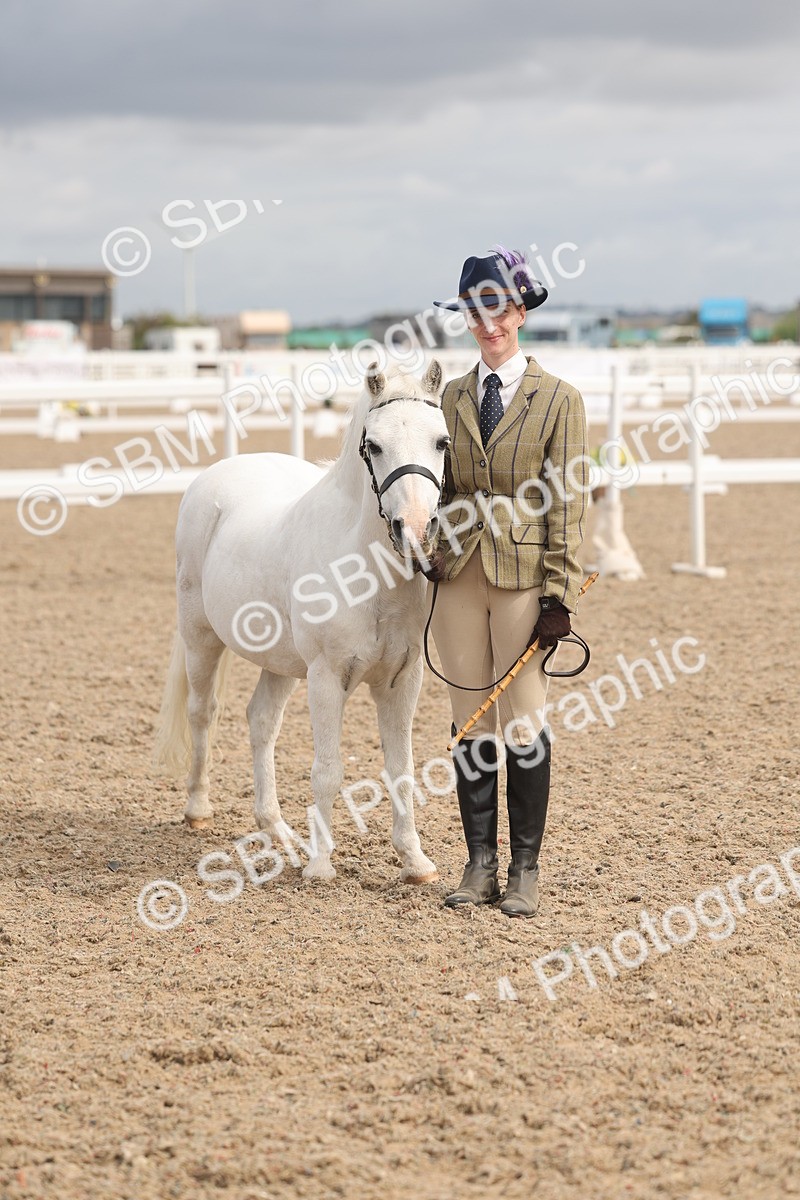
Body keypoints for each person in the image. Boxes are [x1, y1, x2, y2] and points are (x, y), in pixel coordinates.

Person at [430, 246, 589, 917]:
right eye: (474, 310)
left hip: (524, 576)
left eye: (497, 307)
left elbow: (568, 501)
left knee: (522, 720)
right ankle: (479, 863)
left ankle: (524, 869)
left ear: (520, 311)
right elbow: (445, 487)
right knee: (470, 721)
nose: (487, 322)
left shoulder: (559, 400)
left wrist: (559, 592)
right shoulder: (452, 395)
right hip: (460, 572)